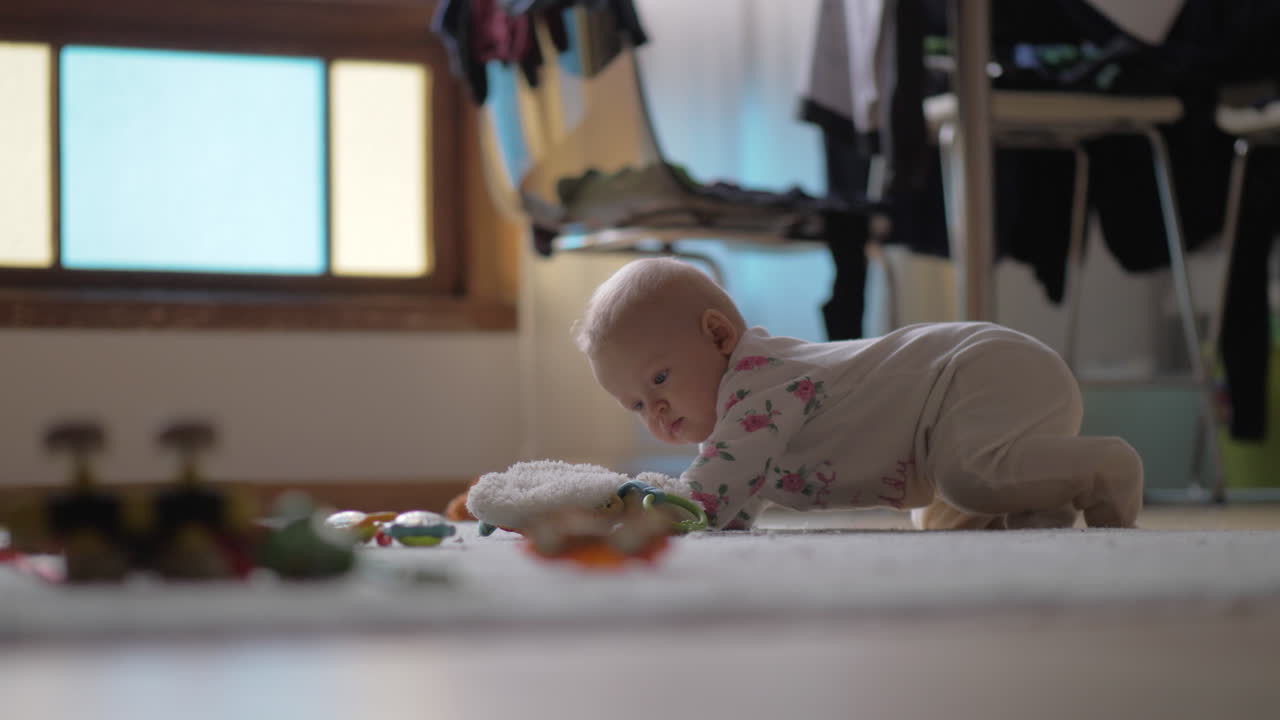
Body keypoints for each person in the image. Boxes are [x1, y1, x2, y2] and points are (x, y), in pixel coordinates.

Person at [574, 257, 1143, 531]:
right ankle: (1043, 507)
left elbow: (703, 501)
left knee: (969, 476)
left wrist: (639, 519)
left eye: (659, 381)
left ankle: (1105, 468)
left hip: (978, 371)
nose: (657, 411)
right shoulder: (744, 438)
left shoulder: (758, 387)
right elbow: (727, 508)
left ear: (719, 336)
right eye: (637, 405)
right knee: (957, 524)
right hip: (953, 405)